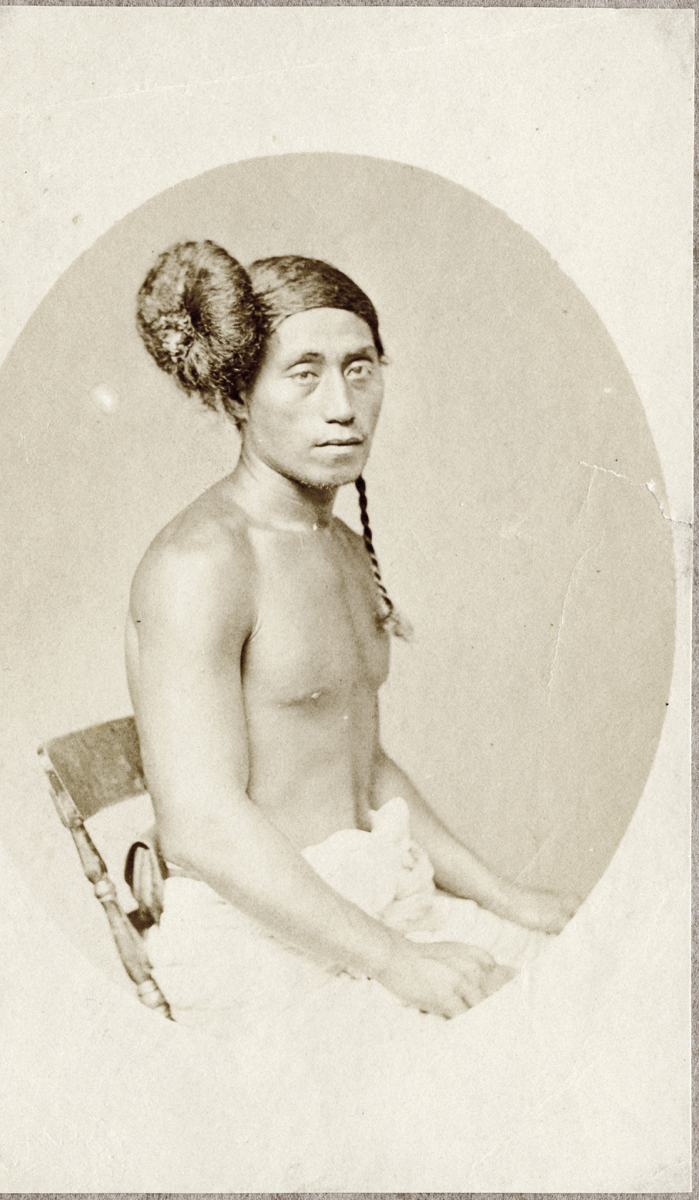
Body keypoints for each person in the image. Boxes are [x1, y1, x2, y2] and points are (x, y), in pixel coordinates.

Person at [127, 240, 579, 1031]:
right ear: (236, 396)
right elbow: (198, 825)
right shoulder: (202, 561)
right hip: (258, 938)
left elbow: (360, 769)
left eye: (360, 368)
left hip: (376, 903)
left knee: (589, 978)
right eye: (303, 373)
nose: (341, 403)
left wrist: (506, 895)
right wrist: (393, 961)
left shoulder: (336, 543)